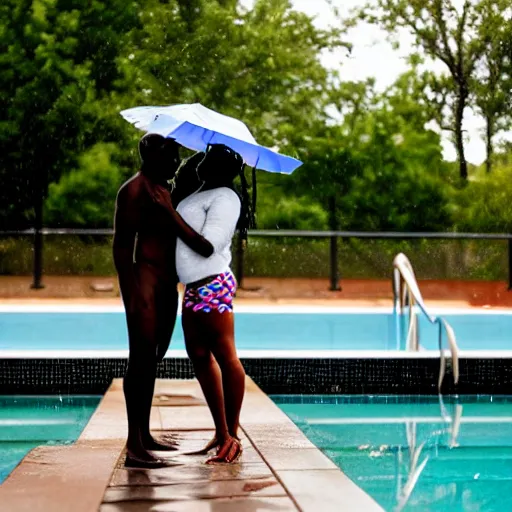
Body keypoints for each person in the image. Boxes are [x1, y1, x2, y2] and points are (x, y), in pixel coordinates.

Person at [113, 133, 214, 468]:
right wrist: (131, 295)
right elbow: (122, 248)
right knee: (140, 360)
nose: (176, 162)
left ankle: (144, 435)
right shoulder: (134, 191)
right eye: (171, 155)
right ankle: (133, 446)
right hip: (145, 281)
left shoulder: (166, 190)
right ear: (150, 156)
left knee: (154, 357)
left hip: (166, 285)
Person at [175, 143, 254, 464]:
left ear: (222, 169)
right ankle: (221, 433)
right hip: (194, 287)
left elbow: (210, 246)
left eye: (210, 158)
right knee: (198, 356)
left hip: (212, 284)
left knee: (225, 355)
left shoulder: (226, 197)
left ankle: (231, 437)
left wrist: (170, 216)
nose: (202, 161)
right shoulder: (198, 194)